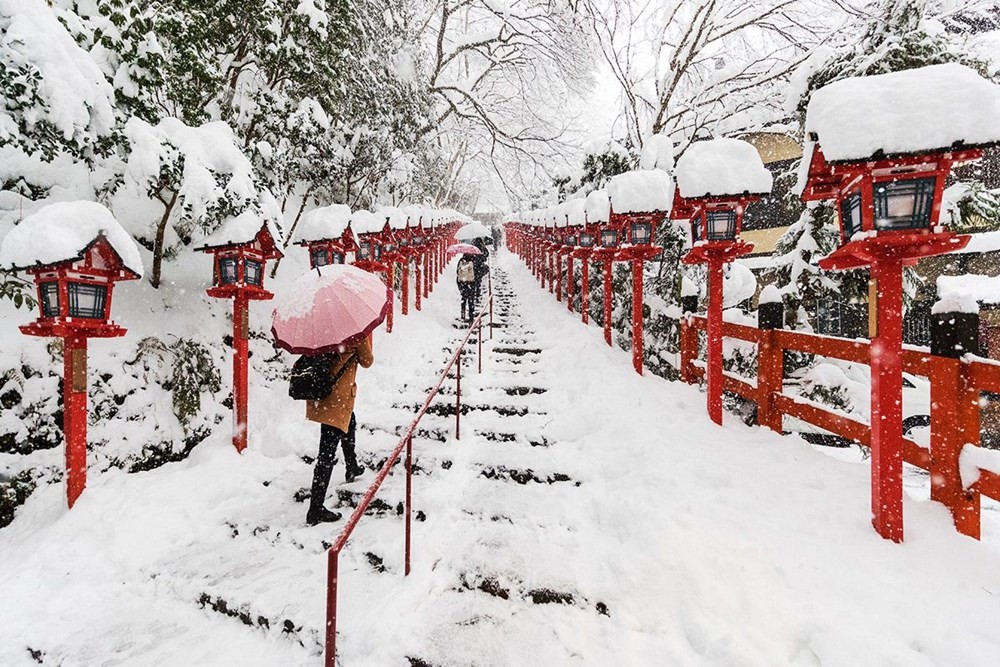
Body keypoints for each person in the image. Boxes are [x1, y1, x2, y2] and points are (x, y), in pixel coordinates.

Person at [304, 336, 374, 526]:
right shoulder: (355, 334)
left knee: (349, 422)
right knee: (326, 455)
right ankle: (315, 509)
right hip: (337, 398)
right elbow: (367, 361)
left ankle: (351, 465)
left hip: (325, 394)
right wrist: (363, 341)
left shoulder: (321, 331)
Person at [470, 237, 490, 312]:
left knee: (472, 282)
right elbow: (486, 255)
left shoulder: (472, 247)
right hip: (479, 268)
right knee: (478, 282)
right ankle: (478, 295)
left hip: (472, 268)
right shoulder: (482, 247)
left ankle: (472, 296)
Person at [457, 255, 476, 322]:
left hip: (463, 283)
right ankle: (471, 316)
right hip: (470, 283)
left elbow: (457, 272)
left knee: (464, 300)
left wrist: (459, 284)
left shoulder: (461, 261)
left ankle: (463, 315)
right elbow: (475, 272)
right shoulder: (473, 261)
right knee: (471, 301)